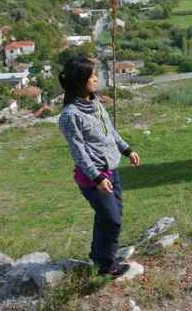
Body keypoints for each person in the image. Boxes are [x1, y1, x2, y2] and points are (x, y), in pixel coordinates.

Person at [58, 56, 141, 277]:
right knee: (111, 219)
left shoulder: (95, 102)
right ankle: (106, 265)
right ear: (79, 81)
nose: (96, 79)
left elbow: (110, 131)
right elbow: (79, 152)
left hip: (112, 172)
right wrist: (97, 178)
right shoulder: (70, 116)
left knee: (111, 217)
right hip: (94, 179)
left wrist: (127, 150)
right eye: (92, 76)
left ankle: (100, 255)